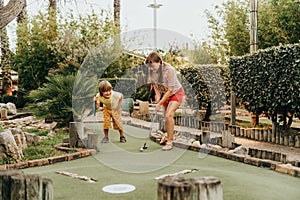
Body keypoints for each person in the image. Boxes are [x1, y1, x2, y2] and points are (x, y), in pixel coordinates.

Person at [145, 52, 185, 151]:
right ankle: (168, 136)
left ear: (159, 62)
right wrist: (158, 99)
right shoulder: (152, 71)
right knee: (166, 118)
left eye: (153, 66)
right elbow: (155, 86)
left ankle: (169, 142)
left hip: (176, 93)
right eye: (149, 67)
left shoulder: (169, 70)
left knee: (169, 115)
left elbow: (171, 90)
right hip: (165, 94)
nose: (151, 68)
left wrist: (160, 103)